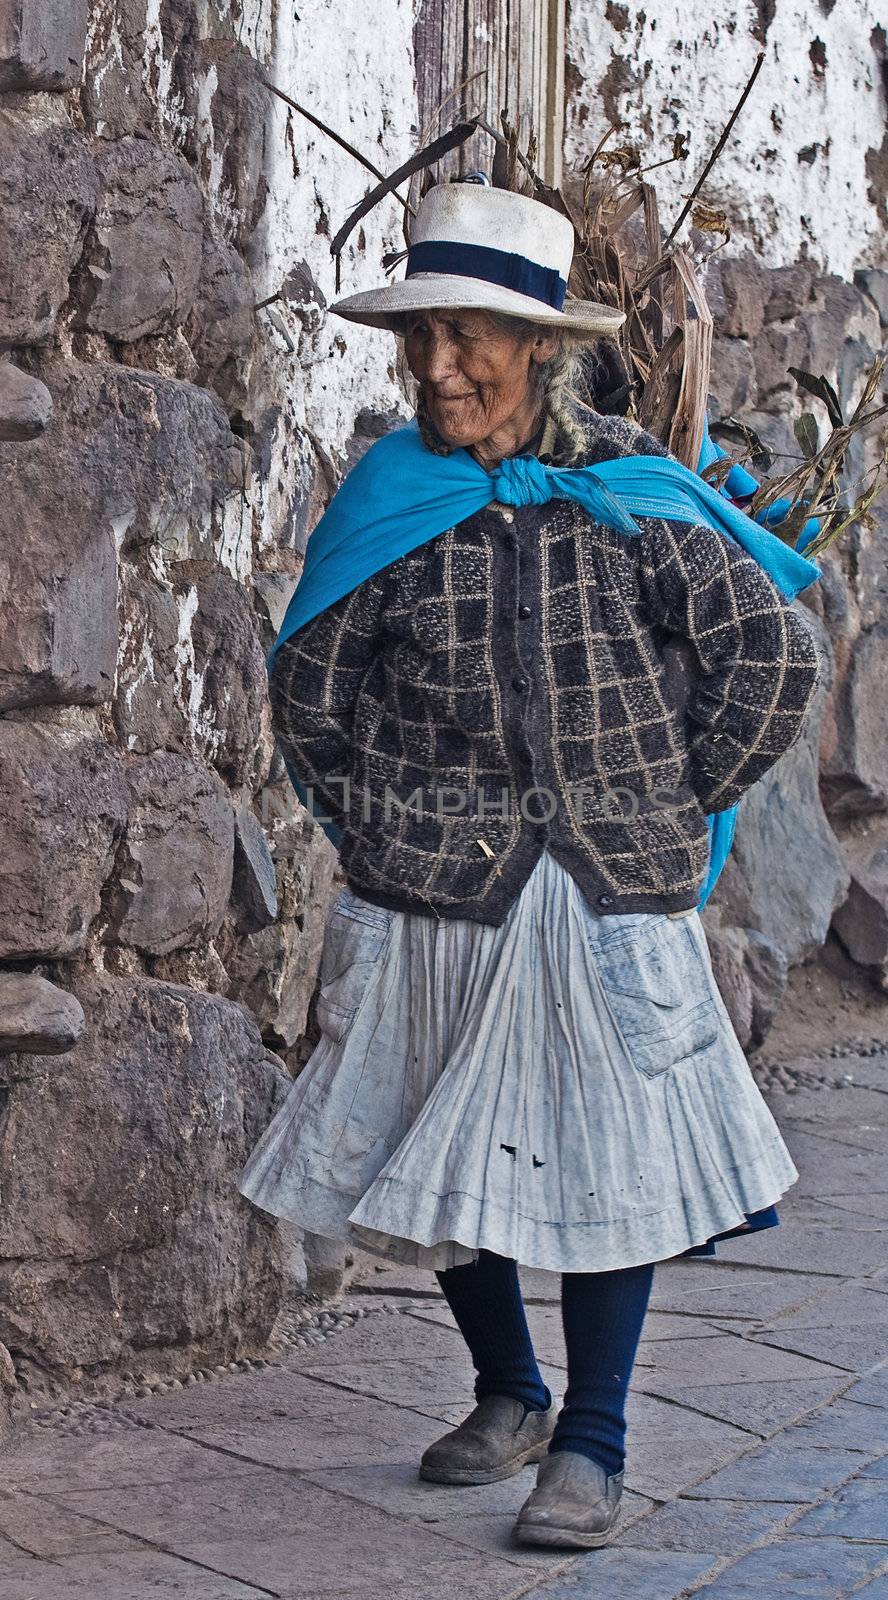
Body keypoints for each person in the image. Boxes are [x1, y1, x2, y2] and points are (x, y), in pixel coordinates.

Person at [239, 180, 822, 1550]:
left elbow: (769, 653)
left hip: (606, 893)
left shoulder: (634, 495)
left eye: (469, 340)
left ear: (542, 346)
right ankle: (509, 1388)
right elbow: (310, 688)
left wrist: (674, 804)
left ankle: (596, 1443)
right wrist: (380, 828)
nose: (438, 369)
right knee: (439, 1140)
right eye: (421, 341)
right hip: (438, 885)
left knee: (609, 1159)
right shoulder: (395, 496)